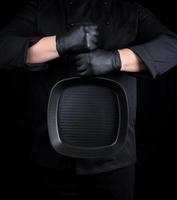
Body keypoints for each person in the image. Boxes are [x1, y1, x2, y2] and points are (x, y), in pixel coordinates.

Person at [0, 0, 177, 199]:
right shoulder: (40, 9)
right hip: (51, 155)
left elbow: (172, 46)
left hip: (115, 158)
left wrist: (115, 59)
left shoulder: (131, 11)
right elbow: (3, 49)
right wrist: (59, 43)